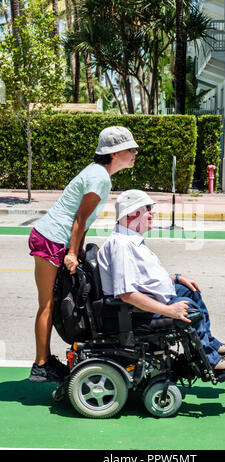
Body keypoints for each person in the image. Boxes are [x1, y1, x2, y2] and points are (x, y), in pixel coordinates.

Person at [28, 126, 139, 383]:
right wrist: (71, 252)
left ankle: (44, 361)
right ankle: (41, 364)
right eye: (130, 149)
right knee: (47, 304)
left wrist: (76, 252)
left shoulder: (101, 175)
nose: (135, 153)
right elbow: (78, 218)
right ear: (114, 153)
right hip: (50, 239)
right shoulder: (99, 177)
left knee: (55, 301)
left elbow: (85, 222)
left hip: (60, 240)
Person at [98, 189, 225, 373]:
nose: (153, 212)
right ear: (131, 214)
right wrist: (169, 310)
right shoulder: (121, 245)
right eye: (147, 208)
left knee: (190, 290)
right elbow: (126, 293)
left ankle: (211, 344)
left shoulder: (129, 240)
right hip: (134, 313)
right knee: (188, 306)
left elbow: (141, 278)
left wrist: (175, 278)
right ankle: (210, 360)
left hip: (149, 299)